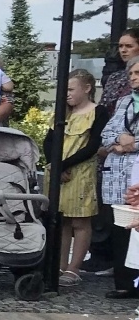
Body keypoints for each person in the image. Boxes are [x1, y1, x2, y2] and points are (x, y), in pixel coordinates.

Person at [46, 69, 107, 286]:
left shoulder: (98, 112)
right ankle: (60, 264)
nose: (67, 94)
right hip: (58, 172)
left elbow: (93, 145)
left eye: (71, 89)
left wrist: (64, 165)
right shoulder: (62, 113)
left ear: (87, 88)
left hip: (80, 172)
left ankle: (74, 267)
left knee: (80, 221)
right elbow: (49, 140)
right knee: (61, 220)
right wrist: (55, 165)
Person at [99, 57, 139, 297]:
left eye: (138, 73)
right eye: (131, 73)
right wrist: (118, 140)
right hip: (118, 172)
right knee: (120, 228)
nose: (133, 77)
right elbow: (107, 133)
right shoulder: (125, 101)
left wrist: (131, 144)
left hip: (136, 169)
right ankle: (124, 283)